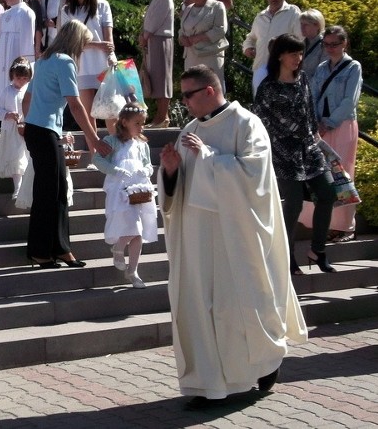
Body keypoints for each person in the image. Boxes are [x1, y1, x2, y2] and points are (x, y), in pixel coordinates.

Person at [158, 65, 307, 408]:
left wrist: (208, 158)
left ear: (209, 91)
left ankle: (264, 366)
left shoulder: (246, 124)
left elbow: (253, 179)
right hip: (196, 239)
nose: (184, 102)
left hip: (236, 238)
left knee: (237, 306)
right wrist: (169, 171)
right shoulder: (189, 131)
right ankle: (207, 384)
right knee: (200, 308)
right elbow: (175, 193)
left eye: (188, 94)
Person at [21, 19, 111, 268]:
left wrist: (27, 121)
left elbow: (27, 98)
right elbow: (75, 103)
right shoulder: (65, 62)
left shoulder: (43, 60)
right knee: (49, 192)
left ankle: (60, 248)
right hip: (44, 132)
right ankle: (42, 251)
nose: (83, 48)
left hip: (40, 130)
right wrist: (93, 138)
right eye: (83, 43)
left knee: (58, 191)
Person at [253, 34, 337, 274]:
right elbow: (259, 122)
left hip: (309, 149)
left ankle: (317, 250)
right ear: (280, 55)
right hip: (282, 152)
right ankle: (286, 256)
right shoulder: (268, 87)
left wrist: (321, 145)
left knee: (328, 193)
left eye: (300, 54)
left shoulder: (303, 80)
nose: (298, 59)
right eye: (293, 54)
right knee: (293, 204)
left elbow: (311, 115)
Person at [302, 26, 362, 243]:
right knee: (321, 172)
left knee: (342, 173)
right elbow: (312, 95)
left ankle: (346, 226)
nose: (330, 48)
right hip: (320, 126)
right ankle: (323, 222)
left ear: (344, 43)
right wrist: (315, 121)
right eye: (326, 44)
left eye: (334, 44)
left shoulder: (353, 67)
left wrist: (329, 122)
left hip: (342, 125)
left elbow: (349, 100)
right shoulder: (321, 67)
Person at [90, 103, 157, 289]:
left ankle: (133, 270)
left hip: (139, 189)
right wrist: (115, 170)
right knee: (133, 226)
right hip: (119, 189)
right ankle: (118, 248)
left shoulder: (142, 145)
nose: (141, 127)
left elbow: (149, 165)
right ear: (125, 122)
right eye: (137, 123)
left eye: (143, 123)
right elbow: (97, 159)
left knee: (138, 232)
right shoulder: (111, 141)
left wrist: (146, 170)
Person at [61, 0, 115, 125]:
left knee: (111, 111)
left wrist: (110, 52)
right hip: (82, 65)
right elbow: (70, 40)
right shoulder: (67, 10)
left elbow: (108, 36)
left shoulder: (103, 5)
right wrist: (97, 45)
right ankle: (94, 149)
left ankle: (115, 148)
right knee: (88, 115)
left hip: (103, 63)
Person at [0, 0, 36, 121]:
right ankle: (3, 114)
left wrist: (25, 60)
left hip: (16, 52)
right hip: (5, 53)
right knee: (3, 83)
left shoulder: (26, 12)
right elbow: (2, 36)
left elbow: (27, 37)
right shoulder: (6, 14)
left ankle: (20, 114)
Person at [139, 0, 174, 128]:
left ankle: (162, 117)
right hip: (155, 41)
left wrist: (145, 37)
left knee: (162, 78)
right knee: (156, 78)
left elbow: (154, 22)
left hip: (161, 40)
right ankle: (161, 116)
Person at [179, 0, 228, 92]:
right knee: (192, 91)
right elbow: (181, 29)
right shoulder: (188, 8)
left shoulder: (217, 7)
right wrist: (181, 38)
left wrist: (198, 37)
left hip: (210, 56)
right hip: (191, 56)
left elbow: (220, 29)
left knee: (210, 91)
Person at [243, 0, 302, 71]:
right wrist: (248, 47)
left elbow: (300, 39)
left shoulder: (293, 12)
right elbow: (251, 37)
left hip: (281, 70)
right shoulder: (261, 16)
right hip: (260, 69)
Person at [0, 58, 33, 199]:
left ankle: (27, 187)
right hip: (11, 130)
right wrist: (8, 114)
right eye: (18, 77)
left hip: (28, 129)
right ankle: (18, 188)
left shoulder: (30, 91)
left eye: (25, 78)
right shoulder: (7, 91)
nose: (21, 81)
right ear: (12, 76)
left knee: (26, 157)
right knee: (16, 158)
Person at [299, 9, 328, 80]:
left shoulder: (325, 45)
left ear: (317, 25)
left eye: (306, 25)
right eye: (301, 24)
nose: (302, 28)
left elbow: (323, 72)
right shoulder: (300, 44)